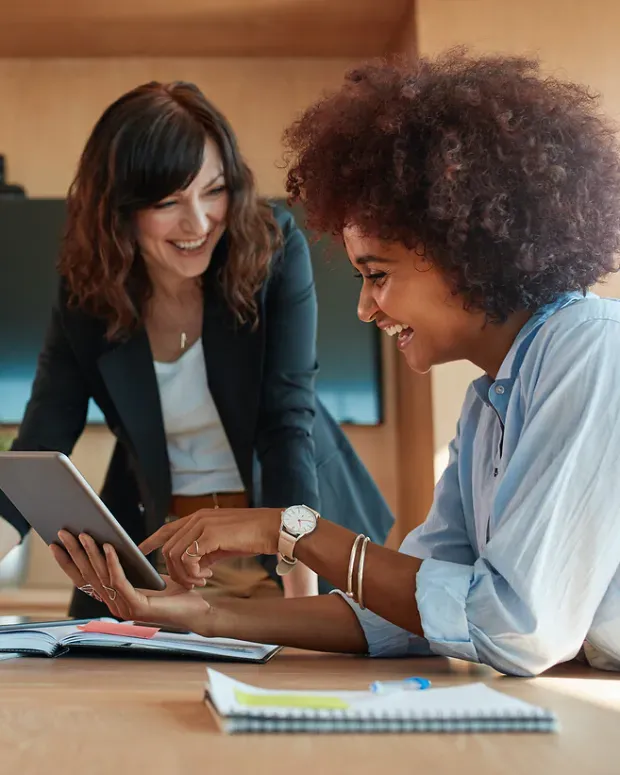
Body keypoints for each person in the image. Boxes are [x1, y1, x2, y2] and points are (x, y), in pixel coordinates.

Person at [51, 51, 620, 677]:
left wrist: (290, 529)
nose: (363, 307)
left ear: (468, 253)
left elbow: (513, 625)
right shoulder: (489, 404)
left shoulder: (588, 350)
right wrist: (200, 617)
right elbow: (409, 615)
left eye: (376, 275)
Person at [0, 80, 394, 617]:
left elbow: (286, 423)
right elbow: (43, 439)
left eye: (213, 190)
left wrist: (302, 603)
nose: (199, 222)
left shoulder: (272, 250)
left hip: (286, 533)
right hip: (161, 546)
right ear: (119, 210)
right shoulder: (88, 290)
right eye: (168, 202)